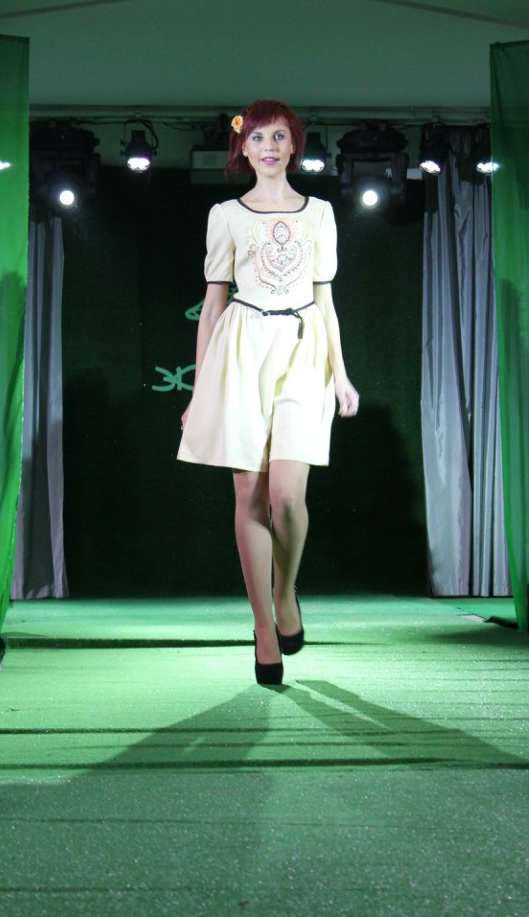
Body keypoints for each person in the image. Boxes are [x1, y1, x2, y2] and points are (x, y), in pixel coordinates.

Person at [178, 99, 359, 685]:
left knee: (286, 497)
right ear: (243, 149)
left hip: (304, 350)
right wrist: (201, 388)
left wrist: (341, 374)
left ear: (294, 145)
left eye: (279, 136)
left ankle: (286, 593)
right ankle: (263, 627)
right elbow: (212, 305)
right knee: (251, 497)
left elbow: (326, 302)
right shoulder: (226, 215)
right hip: (242, 349)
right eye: (258, 138)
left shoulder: (320, 214)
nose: (269, 147)